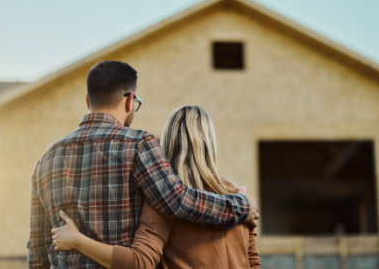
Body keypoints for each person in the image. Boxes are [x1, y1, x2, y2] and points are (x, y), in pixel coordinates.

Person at [27, 61, 259, 269]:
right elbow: (178, 200)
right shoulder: (138, 144)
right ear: (129, 100)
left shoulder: (45, 161)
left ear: (88, 101)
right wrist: (241, 206)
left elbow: (37, 250)